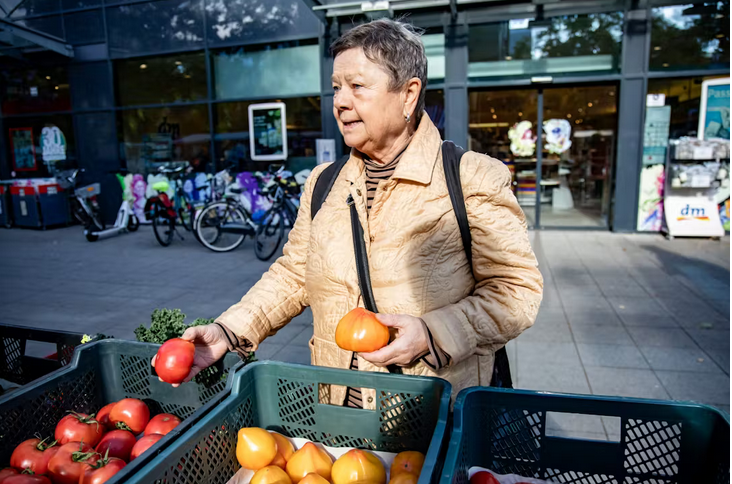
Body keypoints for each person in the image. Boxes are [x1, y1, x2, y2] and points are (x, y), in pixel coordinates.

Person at [153, 18, 543, 406]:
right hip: (336, 407)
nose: (340, 101)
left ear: (408, 95)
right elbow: (294, 273)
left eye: (357, 86)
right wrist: (229, 330)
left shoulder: (470, 176)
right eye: (337, 87)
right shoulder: (324, 181)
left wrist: (432, 333)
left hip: (429, 411)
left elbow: (516, 292)